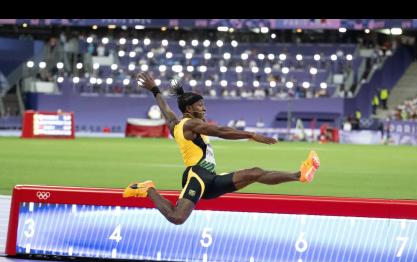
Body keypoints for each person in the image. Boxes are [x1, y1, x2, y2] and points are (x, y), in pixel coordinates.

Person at [123, 72, 320, 225]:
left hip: (210, 178)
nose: (204, 108)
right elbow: (221, 131)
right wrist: (250, 135)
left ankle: (299, 174)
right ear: (190, 110)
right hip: (197, 175)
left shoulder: (176, 124)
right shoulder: (191, 125)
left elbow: (166, 111)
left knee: (255, 173)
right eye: (201, 105)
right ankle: (148, 189)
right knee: (177, 217)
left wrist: (155, 90)